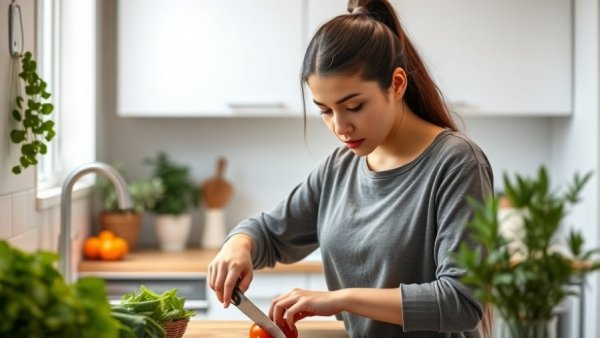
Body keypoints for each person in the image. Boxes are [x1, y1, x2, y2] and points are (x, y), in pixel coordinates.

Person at [208, 0, 493, 337]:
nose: (340, 127)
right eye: (325, 111)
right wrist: (238, 245)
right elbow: (269, 233)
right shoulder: (340, 167)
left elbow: (462, 303)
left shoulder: (456, 163)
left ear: (397, 84)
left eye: (354, 106)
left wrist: (340, 300)